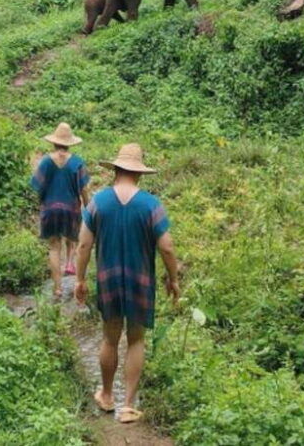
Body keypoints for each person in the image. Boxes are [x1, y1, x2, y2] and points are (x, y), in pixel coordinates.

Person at [75, 143, 180, 424]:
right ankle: (128, 406)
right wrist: (173, 278)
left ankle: (107, 396)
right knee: (136, 340)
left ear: (116, 170)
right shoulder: (151, 205)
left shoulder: (99, 201)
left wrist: (81, 279)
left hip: (108, 280)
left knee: (109, 338)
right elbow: (167, 248)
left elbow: (84, 244)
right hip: (140, 281)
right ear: (139, 173)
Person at [31, 123, 90, 299]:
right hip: (71, 209)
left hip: (50, 208)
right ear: (70, 143)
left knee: (54, 247)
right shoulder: (77, 162)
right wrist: (88, 206)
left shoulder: (46, 161)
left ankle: (57, 289)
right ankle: (76, 283)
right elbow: (84, 189)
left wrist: (41, 204)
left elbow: (38, 186)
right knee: (74, 242)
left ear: (54, 142)